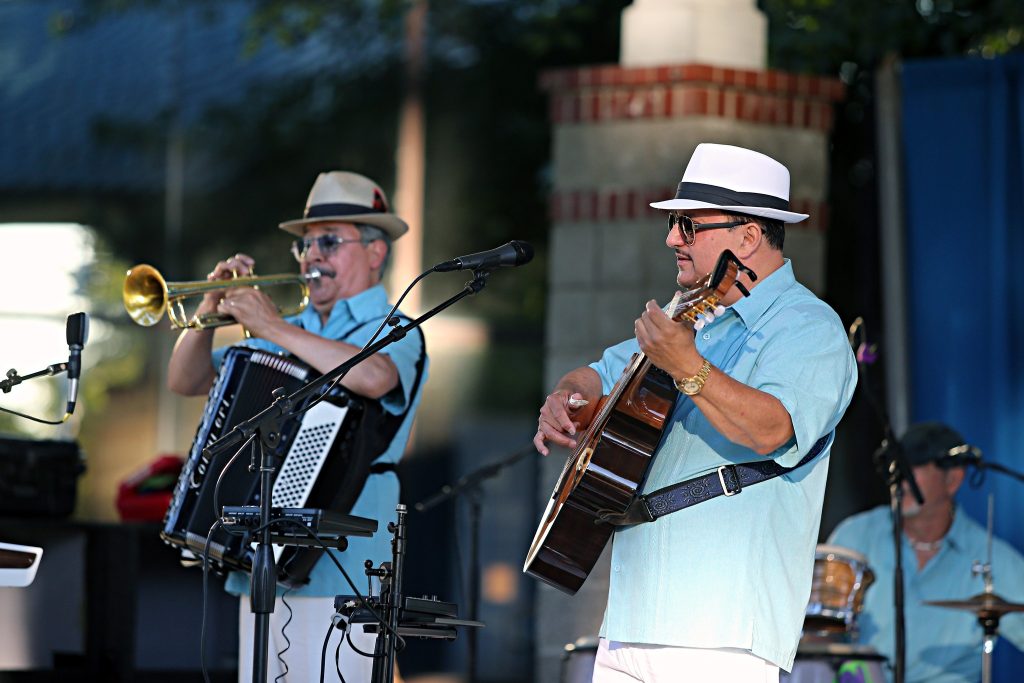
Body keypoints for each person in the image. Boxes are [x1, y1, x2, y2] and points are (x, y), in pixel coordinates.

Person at [533, 143, 857, 682]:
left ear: (748, 236)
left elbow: (774, 428)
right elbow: (596, 374)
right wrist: (565, 397)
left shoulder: (809, 327)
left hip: (723, 629)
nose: (671, 239)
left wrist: (689, 367)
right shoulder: (695, 315)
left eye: (688, 225)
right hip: (631, 615)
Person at [167, 171, 428, 682]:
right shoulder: (289, 329)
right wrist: (208, 311)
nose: (312, 256)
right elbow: (186, 378)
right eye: (305, 246)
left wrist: (272, 327)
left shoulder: (396, 328)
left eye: (329, 242)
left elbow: (375, 377)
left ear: (376, 253)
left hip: (350, 563)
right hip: (262, 561)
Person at [829, 422, 1024, 683]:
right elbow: (817, 626)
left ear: (952, 479)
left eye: (914, 467)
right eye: (897, 466)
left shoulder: (993, 557)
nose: (900, 477)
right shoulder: (855, 536)